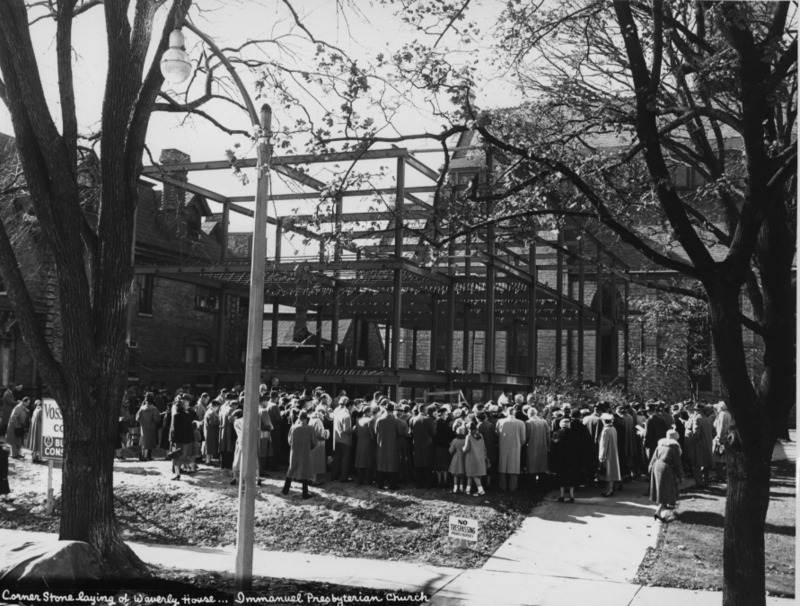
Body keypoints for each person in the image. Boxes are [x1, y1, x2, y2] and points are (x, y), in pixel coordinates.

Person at [649, 429, 684, 522]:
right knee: (666, 488)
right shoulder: (674, 447)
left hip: (657, 466)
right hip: (666, 467)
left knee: (661, 488)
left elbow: (654, 456)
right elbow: (677, 462)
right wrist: (680, 475)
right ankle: (658, 511)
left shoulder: (661, 444)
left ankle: (663, 507)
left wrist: (650, 465)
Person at [282, 409, 317, 499]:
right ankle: (305, 493)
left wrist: (294, 447)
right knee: (304, 470)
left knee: (291, 469)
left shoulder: (293, 427)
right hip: (306, 452)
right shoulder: (310, 428)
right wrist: (310, 448)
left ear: (299, 417)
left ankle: (285, 489)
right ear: (306, 418)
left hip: (294, 451)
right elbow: (314, 442)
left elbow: (289, 441)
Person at [374, 401, 406, 490]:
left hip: (381, 446)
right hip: (393, 446)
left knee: (381, 465)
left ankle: (380, 484)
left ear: (385, 409)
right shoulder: (396, 421)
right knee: (393, 465)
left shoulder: (379, 420)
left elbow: (376, 432)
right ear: (393, 410)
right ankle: (393, 485)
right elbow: (400, 433)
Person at [495, 404, 527, 492]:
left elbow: (497, 433)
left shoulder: (500, 421)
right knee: (514, 467)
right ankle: (513, 487)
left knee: (502, 466)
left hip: (503, 445)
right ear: (515, 413)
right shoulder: (521, 423)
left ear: (506, 412)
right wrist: (519, 444)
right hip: (515, 446)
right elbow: (523, 438)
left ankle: (502, 487)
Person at [550, 418, 580, 503]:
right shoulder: (575, 434)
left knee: (561, 476)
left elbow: (553, 447)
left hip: (561, 459)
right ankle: (571, 495)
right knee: (572, 476)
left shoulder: (556, 433)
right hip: (572, 459)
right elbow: (578, 447)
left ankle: (562, 495)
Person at [685, 401, 714, 488]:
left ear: (697, 410)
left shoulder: (697, 419)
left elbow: (696, 434)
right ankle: (706, 481)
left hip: (699, 445)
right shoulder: (707, 419)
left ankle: (700, 483)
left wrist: (692, 442)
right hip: (708, 444)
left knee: (695, 464)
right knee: (706, 464)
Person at [409, 404, 436, 488]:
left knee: (418, 464)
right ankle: (428, 483)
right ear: (425, 410)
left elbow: (410, 432)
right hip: (427, 444)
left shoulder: (412, 419)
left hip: (416, 443)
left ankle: (419, 483)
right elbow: (433, 433)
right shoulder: (428, 419)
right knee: (427, 464)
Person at [169, 395, 195, 481]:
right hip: (187, 440)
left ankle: (177, 475)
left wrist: (172, 440)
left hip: (178, 440)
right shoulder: (188, 415)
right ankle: (191, 468)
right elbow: (190, 429)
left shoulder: (176, 416)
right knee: (186, 456)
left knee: (176, 458)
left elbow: (174, 430)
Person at [524, 407, 550, 489]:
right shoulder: (544, 422)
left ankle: (533, 487)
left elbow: (526, 436)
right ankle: (542, 486)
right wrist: (548, 447)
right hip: (543, 448)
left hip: (532, 448)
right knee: (542, 467)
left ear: (529, 414)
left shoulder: (528, 423)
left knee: (532, 467)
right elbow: (548, 436)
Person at [598, 413, 621, 497]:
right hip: (613, 452)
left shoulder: (606, 430)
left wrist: (601, 456)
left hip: (607, 454)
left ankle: (609, 489)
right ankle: (609, 488)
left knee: (608, 473)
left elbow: (603, 445)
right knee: (611, 472)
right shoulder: (613, 428)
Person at [331, 397, 354, 482]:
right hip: (345, 440)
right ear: (350, 406)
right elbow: (347, 430)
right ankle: (344, 477)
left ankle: (334, 475)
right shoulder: (347, 415)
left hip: (337, 439)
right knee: (345, 459)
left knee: (337, 459)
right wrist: (354, 429)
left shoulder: (339, 413)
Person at [463, 420, 487, 496]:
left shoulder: (469, 436)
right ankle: (467, 490)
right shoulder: (481, 435)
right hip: (480, 457)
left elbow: (466, 449)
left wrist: (462, 448)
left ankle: (481, 490)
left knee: (474, 475)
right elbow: (483, 447)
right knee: (471, 474)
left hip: (471, 458)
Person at [136, 392, 160, 462]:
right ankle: (146, 457)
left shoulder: (142, 408)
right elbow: (157, 419)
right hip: (151, 427)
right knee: (148, 443)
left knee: (143, 442)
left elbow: (137, 418)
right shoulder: (154, 409)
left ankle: (142, 456)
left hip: (143, 427)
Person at [712, 401, 732, 482]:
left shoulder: (722, 414)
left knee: (718, 458)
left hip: (721, 439)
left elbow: (720, 427)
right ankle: (724, 474)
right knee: (724, 458)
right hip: (726, 437)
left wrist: (719, 438)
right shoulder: (728, 414)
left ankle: (720, 476)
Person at [309, 406, 329, 484]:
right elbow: (320, 434)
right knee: (316, 461)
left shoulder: (311, 419)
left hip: (312, 442)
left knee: (313, 461)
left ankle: (311, 478)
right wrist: (327, 432)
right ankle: (313, 480)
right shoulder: (318, 421)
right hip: (318, 443)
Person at [203, 399, 221, 465]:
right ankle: (208, 461)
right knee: (210, 446)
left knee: (209, 446)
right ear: (215, 406)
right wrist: (219, 422)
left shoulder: (209, 411)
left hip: (208, 430)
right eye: (218, 407)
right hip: (211, 431)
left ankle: (208, 460)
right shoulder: (212, 412)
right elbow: (212, 423)